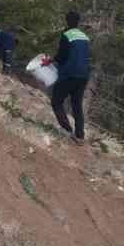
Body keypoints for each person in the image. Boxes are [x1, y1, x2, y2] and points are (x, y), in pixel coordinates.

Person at [47, 8, 91, 144]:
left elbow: (62, 56)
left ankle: (67, 130)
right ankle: (80, 136)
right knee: (77, 105)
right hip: (84, 75)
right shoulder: (84, 36)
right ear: (78, 22)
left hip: (69, 74)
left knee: (56, 102)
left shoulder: (67, 35)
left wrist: (51, 61)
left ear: (67, 21)